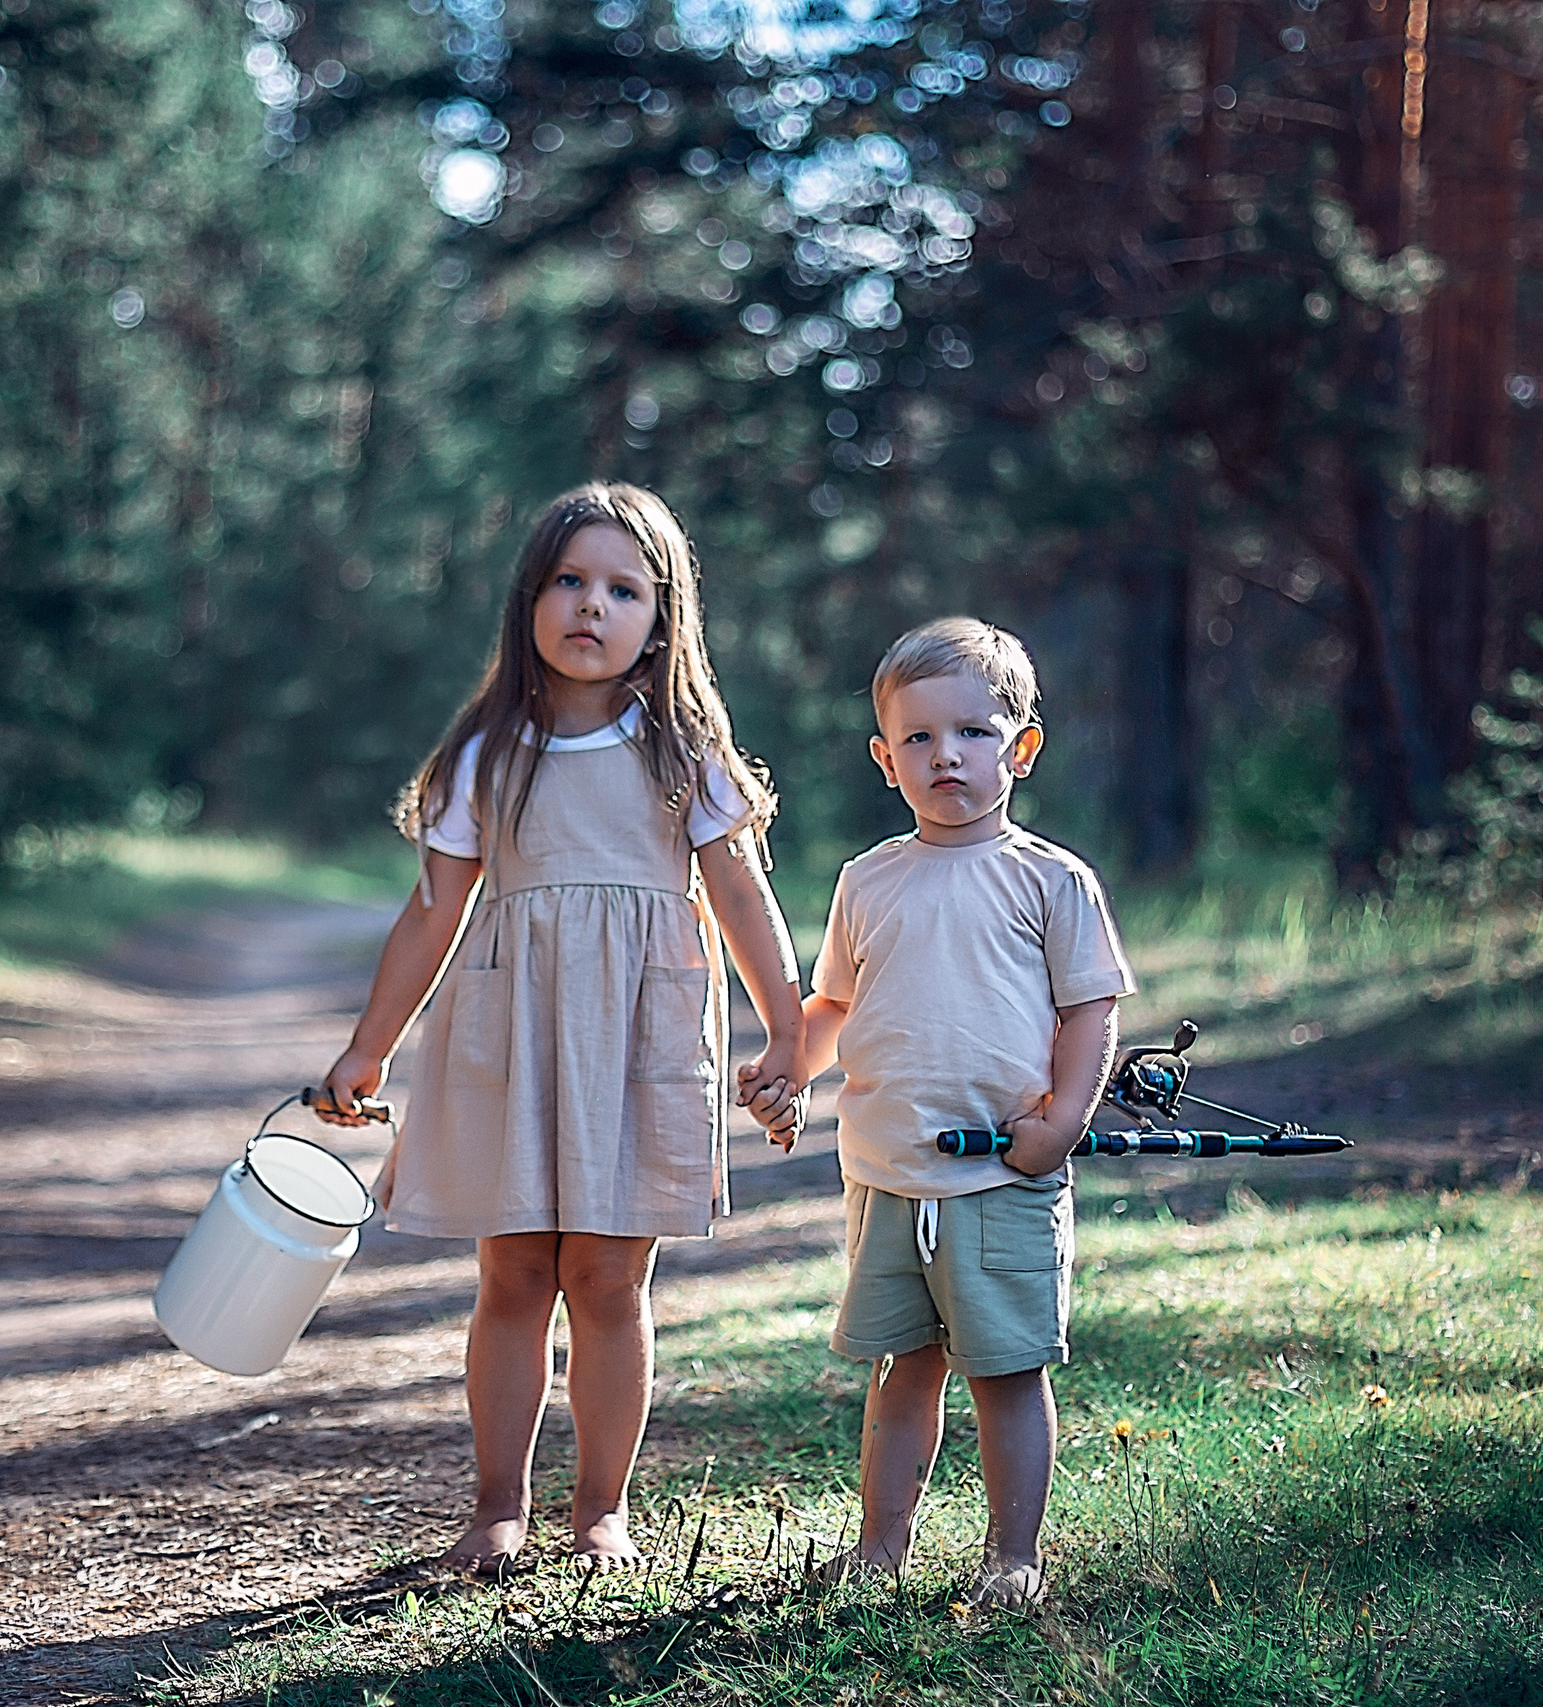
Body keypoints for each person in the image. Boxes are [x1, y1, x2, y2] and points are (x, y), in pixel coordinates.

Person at [313, 483, 805, 1573]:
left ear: (662, 620)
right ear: (528, 599)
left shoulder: (681, 751)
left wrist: (788, 1030)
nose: (591, 606)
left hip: (637, 1039)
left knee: (609, 1280)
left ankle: (599, 1510)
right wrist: (367, 1046)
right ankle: (497, 1507)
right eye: (569, 581)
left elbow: (740, 895)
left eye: (623, 589)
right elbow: (432, 912)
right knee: (514, 1276)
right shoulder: (486, 755)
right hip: (513, 1038)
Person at [749, 617, 1134, 1608]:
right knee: (900, 1370)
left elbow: (1091, 1014)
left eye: (971, 732)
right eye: (917, 737)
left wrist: (1060, 1123)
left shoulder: (1051, 881)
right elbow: (836, 1006)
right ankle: (882, 1547)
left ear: (1022, 747)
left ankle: (1014, 1556)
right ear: (886, 760)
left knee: (1005, 1371)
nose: (945, 755)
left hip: (1001, 1170)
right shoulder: (867, 880)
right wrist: (789, 1066)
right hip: (886, 1174)